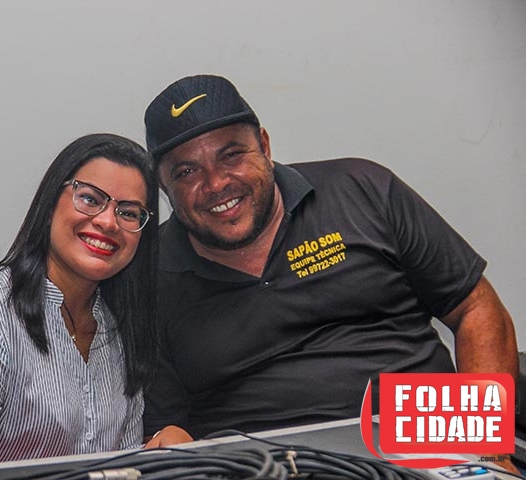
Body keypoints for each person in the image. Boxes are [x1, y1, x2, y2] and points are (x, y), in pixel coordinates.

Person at [142, 75, 519, 442]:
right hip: (260, 462)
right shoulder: (147, 277)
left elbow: (474, 307)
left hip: (421, 439)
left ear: (265, 147)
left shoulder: (362, 191)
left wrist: (485, 444)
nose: (217, 183)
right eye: (187, 171)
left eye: (232, 154)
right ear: (163, 186)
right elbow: (168, 428)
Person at [0, 133, 190, 480]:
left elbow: (117, 470)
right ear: (49, 205)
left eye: (128, 212)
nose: (108, 222)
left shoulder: (119, 330)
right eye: (90, 199)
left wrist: (159, 454)